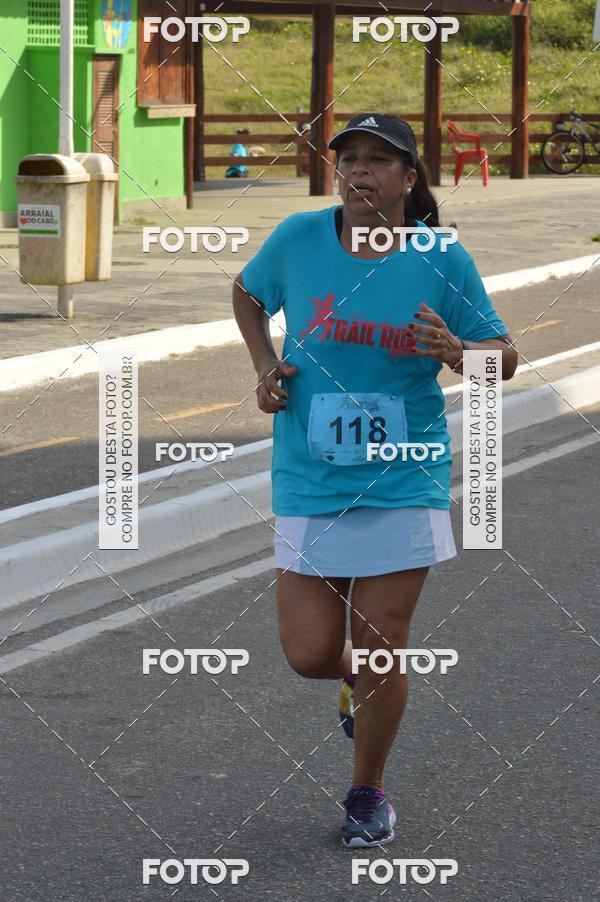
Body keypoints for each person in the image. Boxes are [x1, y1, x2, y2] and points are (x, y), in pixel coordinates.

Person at [232, 113, 518, 848]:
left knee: (383, 641)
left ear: (409, 179)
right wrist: (265, 367)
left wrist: (457, 350)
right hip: (309, 475)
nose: (360, 171)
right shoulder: (298, 239)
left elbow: (503, 356)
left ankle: (367, 793)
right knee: (310, 654)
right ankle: (355, 688)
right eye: (348, 158)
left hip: (405, 477)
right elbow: (247, 292)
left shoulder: (440, 257)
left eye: (379, 161)